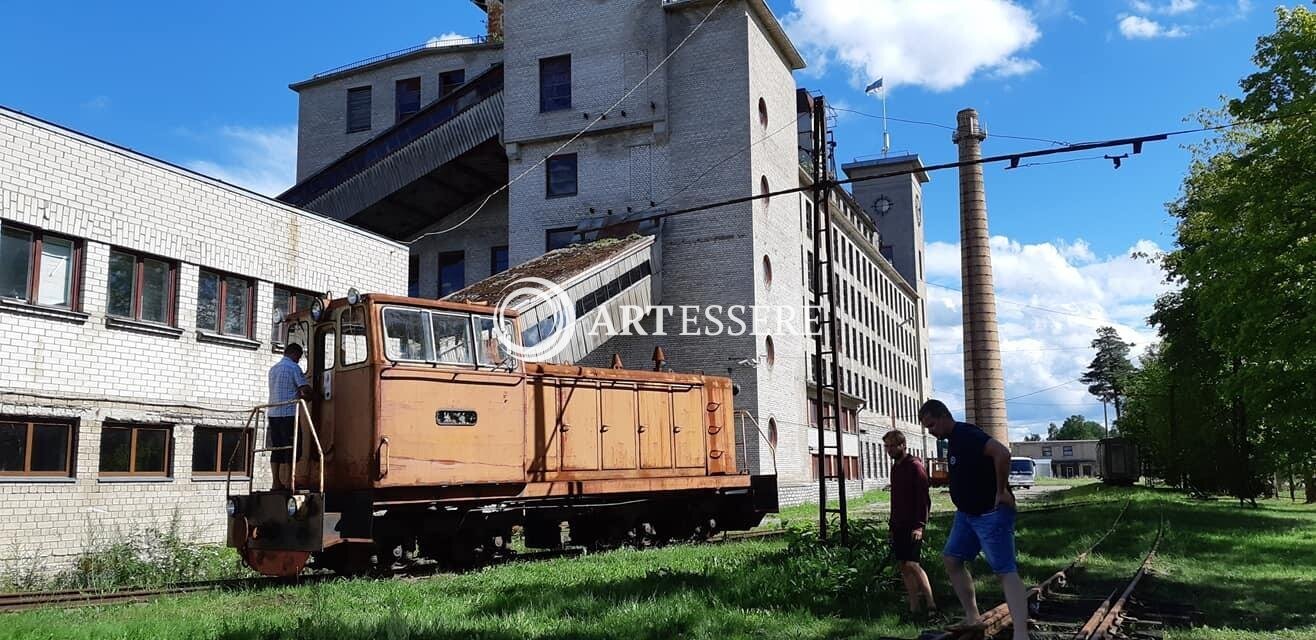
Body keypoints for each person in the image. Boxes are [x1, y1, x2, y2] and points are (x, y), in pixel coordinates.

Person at [918, 399, 1029, 640]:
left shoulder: (967, 434)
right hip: (967, 515)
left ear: (944, 416)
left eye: (932, 425)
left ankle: (1021, 633)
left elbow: (1002, 453)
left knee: (1005, 571)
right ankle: (972, 618)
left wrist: (1001, 491)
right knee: (952, 559)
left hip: (990, 513)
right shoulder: (953, 441)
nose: (931, 431)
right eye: (927, 428)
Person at [883, 429, 936, 616]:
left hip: (913, 525)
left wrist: (919, 525)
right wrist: (891, 526)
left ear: (903, 445)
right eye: (887, 446)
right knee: (903, 566)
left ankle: (931, 605)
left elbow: (923, 499)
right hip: (898, 524)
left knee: (913, 563)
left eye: (892, 446)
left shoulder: (915, 466)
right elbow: (895, 500)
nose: (889, 450)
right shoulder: (895, 468)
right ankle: (914, 607)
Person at [267, 342, 311, 491]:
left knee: (277, 448)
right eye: (299, 357)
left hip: (273, 414)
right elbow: (305, 389)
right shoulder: (293, 368)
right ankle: (289, 481)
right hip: (289, 414)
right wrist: (313, 395)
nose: (298, 360)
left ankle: (276, 482)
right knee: (292, 447)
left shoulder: (273, 369)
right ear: (295, 354)